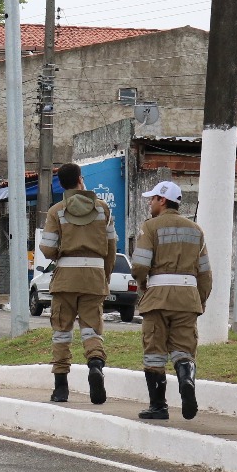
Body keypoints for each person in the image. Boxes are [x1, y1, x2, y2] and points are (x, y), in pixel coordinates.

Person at [130, 181, 212, 421]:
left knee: (154, 352)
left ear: (162, 200)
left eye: (152, 198)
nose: (149, 202)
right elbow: (205, 273)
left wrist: (143, 286)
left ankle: (158, 406)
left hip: (158, 298)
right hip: (187, 298)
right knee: (184, 350)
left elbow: (139, 266)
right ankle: (186, 379)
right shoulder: (196, 230)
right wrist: (200, 300)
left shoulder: (150, 227)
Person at [39, 163, 116, 405]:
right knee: (92, 330)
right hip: (94, 277)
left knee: (62, 332)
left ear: (61, 184)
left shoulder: (56, 211)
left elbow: (48, 248)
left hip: (66, 279)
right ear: (81, 180)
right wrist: (104, 275)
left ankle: (61, 388)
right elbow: (112, 248)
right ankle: (95, 365)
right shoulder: (103, 209)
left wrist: (60, 252)